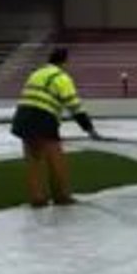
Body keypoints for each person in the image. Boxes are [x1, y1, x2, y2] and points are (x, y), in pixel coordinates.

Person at [10, 48, 100, 208]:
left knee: (34, 161)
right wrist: (90, 130)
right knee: (56, 160)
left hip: (22, 118)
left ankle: (37, 198)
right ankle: (61, 196)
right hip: (42, 120)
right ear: (64, 61)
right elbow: (74, 107)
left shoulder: (36, 73)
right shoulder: (61, 78)